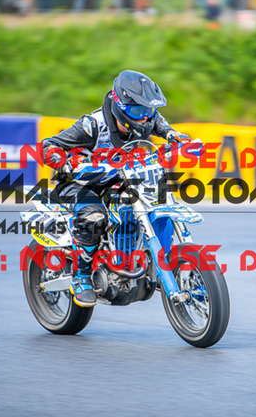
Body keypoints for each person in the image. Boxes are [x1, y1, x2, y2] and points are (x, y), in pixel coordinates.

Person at [42, 70, 189, 307]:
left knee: (157, 199)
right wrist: (62, 159)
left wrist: (174, 136)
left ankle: (161, 263)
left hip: (116, 179)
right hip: (77, 183)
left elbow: (159, 123)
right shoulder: (92, 125)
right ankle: (81, 278)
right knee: (95, 217)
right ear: (121, 107)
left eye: (148, 111)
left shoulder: (146, 117)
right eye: (139, 112)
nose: (145, 118)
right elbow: (48, 145)